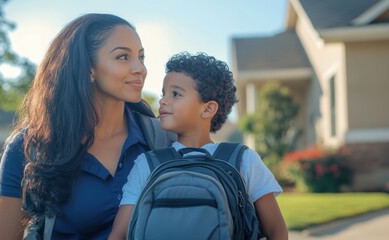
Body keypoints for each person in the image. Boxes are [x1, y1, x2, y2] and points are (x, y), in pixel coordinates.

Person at [0, 13, 174, 239]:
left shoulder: (165, 140)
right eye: (122, 57)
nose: (140, 68)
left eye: (141, 56)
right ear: (88, 68)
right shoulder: (28, 148)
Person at [108, 52, 288, 240]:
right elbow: (120, 233)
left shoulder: (244, 160)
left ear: (208, 109)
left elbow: (276, 231)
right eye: (163, 93)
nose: (162, 100)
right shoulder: (146, 163)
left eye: (175, 94)